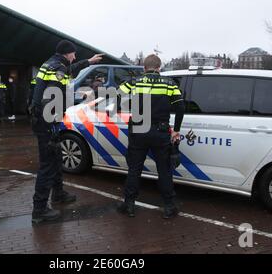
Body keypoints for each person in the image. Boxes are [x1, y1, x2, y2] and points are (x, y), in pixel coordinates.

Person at [30, 40, 104, 223]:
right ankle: (39, 211)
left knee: (56, 157)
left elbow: (70, 70)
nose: (75, 57)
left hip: (45, 119)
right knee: (47, 164)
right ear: (67, 53)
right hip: (47, 121)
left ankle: (58, 194)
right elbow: (51, 95)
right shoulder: (58, 69)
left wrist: (89, 61)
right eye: (73, 54)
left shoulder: (52, 64)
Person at [117, 54, 185, 219]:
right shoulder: (170, 84)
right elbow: (180, 107)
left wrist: (131, 106)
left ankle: (129, 205)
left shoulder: (135, 81)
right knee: (164, 170)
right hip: (160, 132)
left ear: (144, 68)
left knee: (134, 169)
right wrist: (176, 130)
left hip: (139, 131)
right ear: (159, 68)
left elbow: (116, 95)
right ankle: (169, 207)